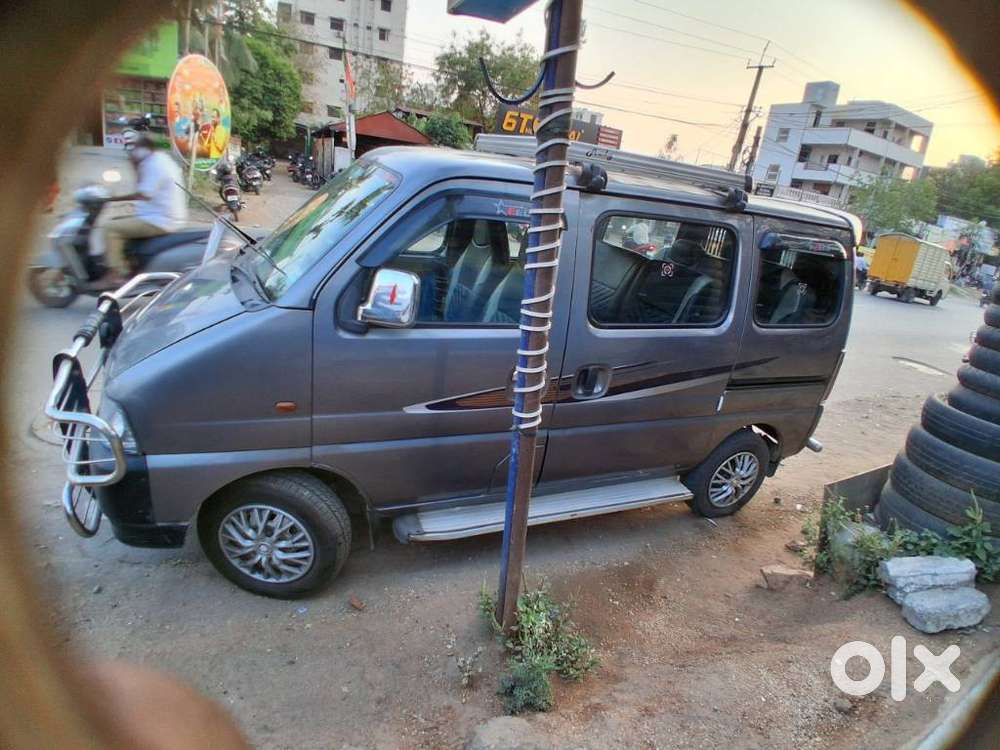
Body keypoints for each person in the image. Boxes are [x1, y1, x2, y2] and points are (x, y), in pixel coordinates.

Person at [98, 130, 187, 287]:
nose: (131, 153)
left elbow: (143, 194)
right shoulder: (159, 159)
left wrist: (111, 199)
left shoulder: (155, 164)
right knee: (119, 220)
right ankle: (127, 264)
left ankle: (115, 275)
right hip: (159, 215)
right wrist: (135, 165)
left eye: (134, 149)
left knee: (110, 228)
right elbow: (142, 186)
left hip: (160, 220)